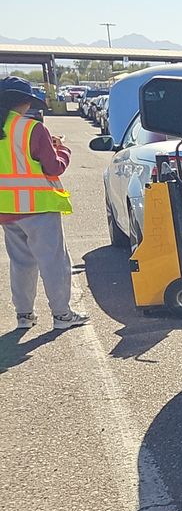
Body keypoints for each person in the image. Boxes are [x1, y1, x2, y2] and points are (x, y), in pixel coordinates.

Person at [1, 76, 88, 330]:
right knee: (53, 262)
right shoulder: (32, 129)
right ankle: (62, 315)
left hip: (6, 209)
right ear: (26, 102)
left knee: (21, 264)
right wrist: (62, 150)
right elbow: (53, 167)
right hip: (37, 206)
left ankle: (24, 316)